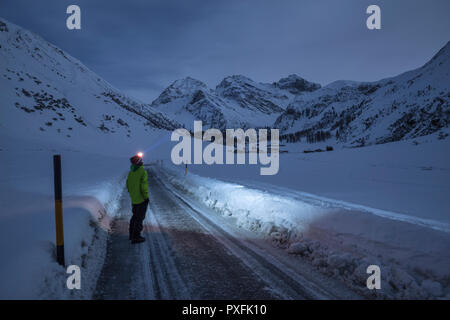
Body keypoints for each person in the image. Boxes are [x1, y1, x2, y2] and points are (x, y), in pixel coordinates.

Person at [126, 153, 149, 244]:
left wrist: (132, 194)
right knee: (139, 218)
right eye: (141, 160)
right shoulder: (142, 171)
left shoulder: (131, 172)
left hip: (134, 199)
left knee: (134, 217)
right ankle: (136, 237)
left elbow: (128, 185)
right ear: (139, 162)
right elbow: (143, 187)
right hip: (141, 199)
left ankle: (131, 234)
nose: (142, 161)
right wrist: (146, 197)